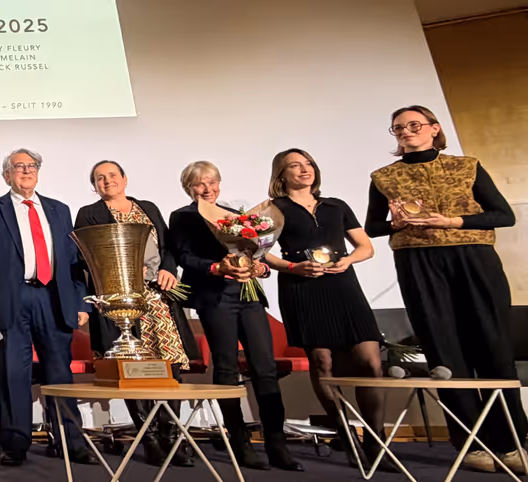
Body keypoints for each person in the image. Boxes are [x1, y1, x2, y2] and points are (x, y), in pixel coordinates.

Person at [364, 105, 524, 474]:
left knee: (493, 346)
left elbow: (504, 215)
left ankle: (512, 440)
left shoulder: (466, 166)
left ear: (434, 129)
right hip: (418, 263)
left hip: (473, 258)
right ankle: (472, 442)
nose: (406, 131)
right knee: (444, 352)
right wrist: (395, 223)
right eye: (398, 128)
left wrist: (452, 220)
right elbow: (373, 227)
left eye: (414, 125)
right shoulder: (383, 177)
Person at [167, 160, 301, 471]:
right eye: (200, 184)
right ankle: (238, 442)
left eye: (212, 182)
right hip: (214, 297)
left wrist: (259, 266)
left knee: (265, 368)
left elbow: (257, 251)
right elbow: (185, 257)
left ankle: (276, 444)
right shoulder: (182, 216)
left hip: (248, 296)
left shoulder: (234, 215)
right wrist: (217, 267)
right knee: (226, 368)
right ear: (189, 188)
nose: (207, 188)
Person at [261, 149, 389, 470]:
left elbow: (366, 247)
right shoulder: (274, 209)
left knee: (370, 361)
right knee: (322, 362)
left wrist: (348, 259)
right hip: (302, 288)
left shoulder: (336, 205)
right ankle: (346, 434)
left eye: (308, 165)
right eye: (295, 166)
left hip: (343, 287)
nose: (304, 170)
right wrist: (292, 267)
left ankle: (376, 442)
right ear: (281, 175)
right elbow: (260, 253)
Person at [0, 149, 96, 467]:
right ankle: (15, 442)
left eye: (31, 166)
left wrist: (80, 301)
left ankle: (69, 440)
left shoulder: (59, 210)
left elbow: (73, 263)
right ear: (6, 175)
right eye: (18, 167)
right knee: (14, 373)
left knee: (59, 374)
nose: (26, 171)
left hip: (54, 298)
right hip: (11, 300)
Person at [72, 160, 197, 468]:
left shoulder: (149, 208)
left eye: (112, 175)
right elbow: (86, 255)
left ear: (125, 179)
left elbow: (168, 248)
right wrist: (120, 268)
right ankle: (150, 438)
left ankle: (172, 437)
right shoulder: (89, 213)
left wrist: (169, 269)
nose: (106, 181)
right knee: (132, 369)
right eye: (99, 178)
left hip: (157, 299)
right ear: (94, 186)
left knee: (169, 368)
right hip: (120, 302)